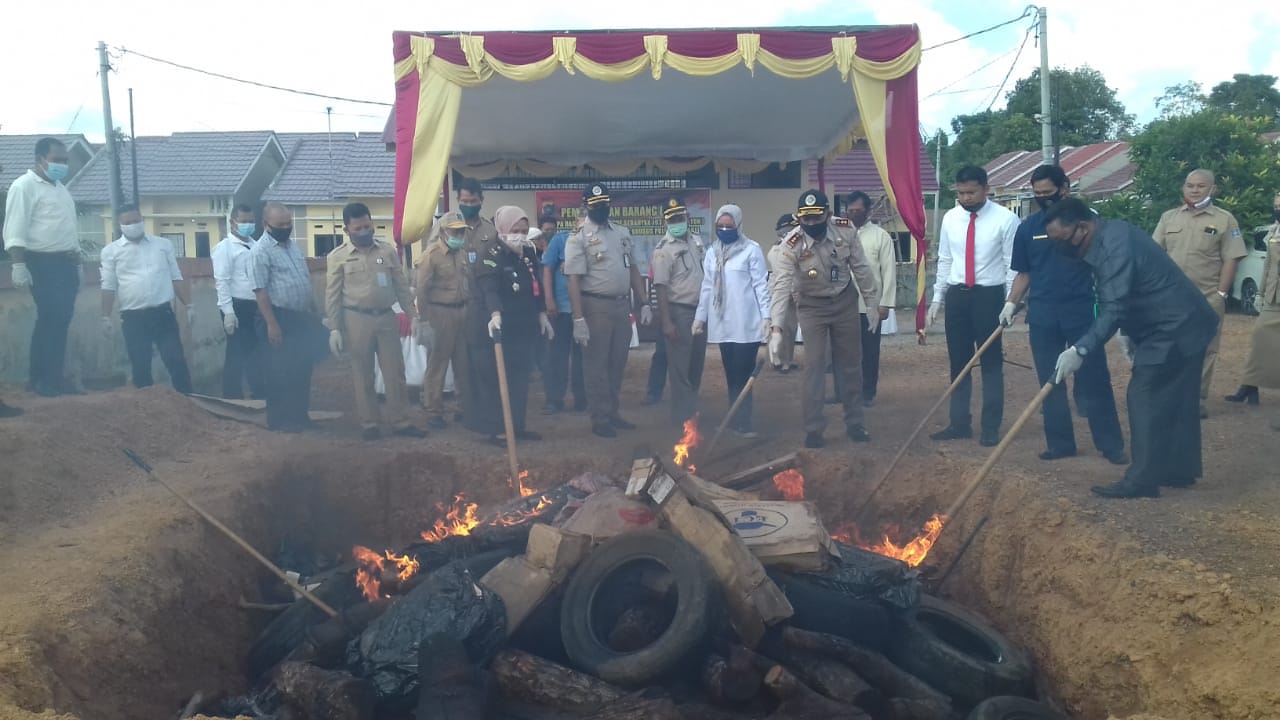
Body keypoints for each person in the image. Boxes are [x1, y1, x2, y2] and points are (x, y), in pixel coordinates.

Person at [1045, 197, 1219, 498]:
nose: (1061, 248)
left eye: (1062, 240)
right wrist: (1128, 333)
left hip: (1172, 327)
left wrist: (1080, 350)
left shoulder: (1112, 247)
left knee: (1144, 395)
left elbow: (1113, 307)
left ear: (1082, 228)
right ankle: (1178, 470)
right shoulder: (1111, 234)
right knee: (1177, 397)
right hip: (1180, 321)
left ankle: (1142, 481)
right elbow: (1127, 293)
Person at [1002, 165, 1126, 464]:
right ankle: (1060, 443)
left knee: (1094, 377)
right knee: (1049, 381)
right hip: (1042, 314)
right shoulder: (1028, 228)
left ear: (1065, 188)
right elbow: (1024, 273)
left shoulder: (1089, 225)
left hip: (1082, 311)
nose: (1043, 198)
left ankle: (1110, 445)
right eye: (1038, 193)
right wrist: (1010, 303)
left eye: (1049, 192)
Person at [769, 190, 881, 448]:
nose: (811, 225)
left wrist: (872, 302)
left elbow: (861, 268)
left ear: (828, 215)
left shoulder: (846, 231)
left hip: (844, 301)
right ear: (799, 219)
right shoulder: (790, 244)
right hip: (811, 306)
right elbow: (781, 286)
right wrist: (776, 328)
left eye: (816, 218)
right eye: (805, 220)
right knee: (815, 365)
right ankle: (814, 428)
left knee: (850, 364)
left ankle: (855, 423)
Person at [927, 165, 1019, 447]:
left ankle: (990, 427)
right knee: (959, 362)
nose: (966, 198)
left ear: (985, 189)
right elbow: (945, 259)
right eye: (961, 193)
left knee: (990, 363)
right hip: (957, 296)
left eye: (971, 192)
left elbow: (1011, 265)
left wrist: (1010, 302)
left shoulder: (1005, 220)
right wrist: (937, 298)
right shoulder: (951, 219)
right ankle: (959, 423)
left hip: (988, 297)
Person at [326, 202, 425, 441]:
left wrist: (413, 316)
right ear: (347, 229)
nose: (364, 231)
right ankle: (370, 423)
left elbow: (402, 287)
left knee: (395, 372)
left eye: (367, 226)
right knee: (363, 373)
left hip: (385, 317)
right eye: (358, 227)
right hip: (355, 319)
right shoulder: (338, 257)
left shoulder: (386, 251)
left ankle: (401, 421)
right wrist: (335, 329)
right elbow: (332, 294)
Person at [1152, 169, 1246, 418]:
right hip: (1170, 299)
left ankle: (1194, 399)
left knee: (1205, 350)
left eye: (1201, 186)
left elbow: (1232, 259)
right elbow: (1154, 255)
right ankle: (1168, 396)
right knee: (1169, 346)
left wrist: (1221, 295)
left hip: (1207, 298)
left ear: (1212, 189)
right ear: (1183, 188)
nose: (1194, 190)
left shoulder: (1226, 220)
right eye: (1190, 185)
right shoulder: (1169, 218)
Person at [564, 184, 651, 438]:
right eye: (595, 204)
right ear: (585, 205)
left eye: (604, 203)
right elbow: (573, 280)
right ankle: (599, 417)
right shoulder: (578, 237)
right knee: (596, 366)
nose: (601, 208)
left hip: (622, 305)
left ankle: (613, 412)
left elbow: (633, 268)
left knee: (617, 363)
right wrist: (578, 318)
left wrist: (644, 301)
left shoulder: (621, 233)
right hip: (595, 307)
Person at [464, 205, 553, 443]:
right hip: (491, 329)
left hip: (520, 329)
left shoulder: (527, 253)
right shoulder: (490, 254)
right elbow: (489, 289)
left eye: (524, 230)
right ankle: (498, 430)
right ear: (502, 228)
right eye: (516, 230)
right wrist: (495, 314)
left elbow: (536, 287)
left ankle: (517, 426)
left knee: (519, 379)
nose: (520, 235)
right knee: (494, 381)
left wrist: (541, 313)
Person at [2, 137, 80, 397]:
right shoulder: (24, 186)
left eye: (64, 160)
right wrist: (19, 265)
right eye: (57, 160)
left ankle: (53, 378)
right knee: (50, 319)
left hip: (65, 262)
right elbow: (15, 229)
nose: (62, 165)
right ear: (40, 159)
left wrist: (75, 259)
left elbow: (66, 226)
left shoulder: (60, 188)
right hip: (42, 262)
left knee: (61, 321)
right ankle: (41, 380)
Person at [98, 205, 194, 394]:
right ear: (120, 225)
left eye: (136, 221)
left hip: (163, 314)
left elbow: (176, 276)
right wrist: (105, 317)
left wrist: (189, 305)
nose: (133, 225)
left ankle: (190, 402)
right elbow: (108, 285)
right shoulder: (111, 252)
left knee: (175, 360)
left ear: (142, 220)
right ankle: (146, 413)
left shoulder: (162, 245)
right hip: (134, 318)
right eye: (127, 222)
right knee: (141, 367)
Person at [694, 205, 769, 437]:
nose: (725, 229)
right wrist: (700, 318)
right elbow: (707, 287)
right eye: (721, 226)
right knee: (730, 373)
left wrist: (767, 317)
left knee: (743, 372)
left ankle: (743, 422)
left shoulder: (751, 250)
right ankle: (734, 419)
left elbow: (760, 286)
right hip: (723, 323)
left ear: (738, 225)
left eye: (729, 226)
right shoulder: (712, 252)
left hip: (746, 323)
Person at [252, 204, 325, 433]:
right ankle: (279, 422)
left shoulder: (293, 247)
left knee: (302, 367)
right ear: (266, 225)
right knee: (278, 371)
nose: (286, 228)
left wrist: (314, 309)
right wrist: (272, 324)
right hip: (277, 317)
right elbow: (260, 291)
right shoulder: (260, 252)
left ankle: (299, 417)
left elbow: (303, 280)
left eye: (288, 224)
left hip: (300, 317)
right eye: (280, 225)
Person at [651, 196, 707, 425]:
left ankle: (690, 412)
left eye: (679, 217)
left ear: (687, 217)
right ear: (665, 222)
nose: (676, 222)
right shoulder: (663, 251)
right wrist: (666, 322)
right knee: (680, 370)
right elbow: (661, 288)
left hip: (699, 314)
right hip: (679, 313)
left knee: (696, 366)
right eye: (672, 219)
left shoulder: (696, 241)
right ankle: (682, 420)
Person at [1224, 192, 1280, 413]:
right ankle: (1250, 386)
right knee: (1259, 338)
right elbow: (1269, 266)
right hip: (1273, 296)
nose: (1277, 209)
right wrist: (1260, 293)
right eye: (1276, 205)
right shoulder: (1274, 230)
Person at [416, 211, 472, 428]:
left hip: (462, 311)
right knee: (437, 363)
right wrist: (424, 320)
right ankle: (434, 411)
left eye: (461, 231)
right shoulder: (431, 256)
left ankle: (463, 408)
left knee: (463, 362)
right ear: (443, 232)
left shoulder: (462, 253)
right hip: (440, 313)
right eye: (454, 231)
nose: (458, 234)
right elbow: (422, 290)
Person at [844, 191, 897, 407]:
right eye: (850, 210)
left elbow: (889, 272)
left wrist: (885, 304)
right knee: (845, 352)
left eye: (858, 210)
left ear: (867, 210)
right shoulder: (839, 233)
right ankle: (845, 391)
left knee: (869, 352)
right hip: (843, 305)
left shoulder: (880, 236)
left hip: (870, 306)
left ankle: (868, 392)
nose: (854, 214)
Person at [212, 203, 265, 399]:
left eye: (251, 221)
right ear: (233, 222)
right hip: (236, 306)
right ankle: (232, 395)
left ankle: (258, 392)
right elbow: (222, 281)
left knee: (255, 352)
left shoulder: (255, 244)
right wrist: (228, 312)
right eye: (244, 221)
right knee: (236, 352)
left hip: (256, 305)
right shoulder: (224, 248)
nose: (248, 225)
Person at [540, 210, 587, 415]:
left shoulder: (596, 243)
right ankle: (554, 400)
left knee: (583, 358)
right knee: (557, 357)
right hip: (560, 309)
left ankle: (582, 399)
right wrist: (549, 300)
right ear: (576, 221)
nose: (586, 224)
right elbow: (548, 269)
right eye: (582, 220)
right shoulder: (562, 239)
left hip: (585, 311)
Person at [414, 177, 498, 275]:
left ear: (481, 200)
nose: (469, 205)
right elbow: (429, 254)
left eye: (473, 201)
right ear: (458, 200)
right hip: (452, 283)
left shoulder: (490, 228)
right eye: (465, 201)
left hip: (481, 284)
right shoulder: (445, 224)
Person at [766, 213, 800, 372]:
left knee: (791, 328)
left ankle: (787, 359)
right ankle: (777, 360)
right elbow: (784, 273)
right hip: (780, 290)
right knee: (779, 326)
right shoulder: (778, 248)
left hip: (794, 290)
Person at [641, 265, 668, 406]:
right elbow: (654, 284)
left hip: (686, 307)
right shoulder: (662, 250)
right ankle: (654, 392)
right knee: (661, 354)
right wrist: (655, 309)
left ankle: (686, 394)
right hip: (665, 309)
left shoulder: (695, 247)